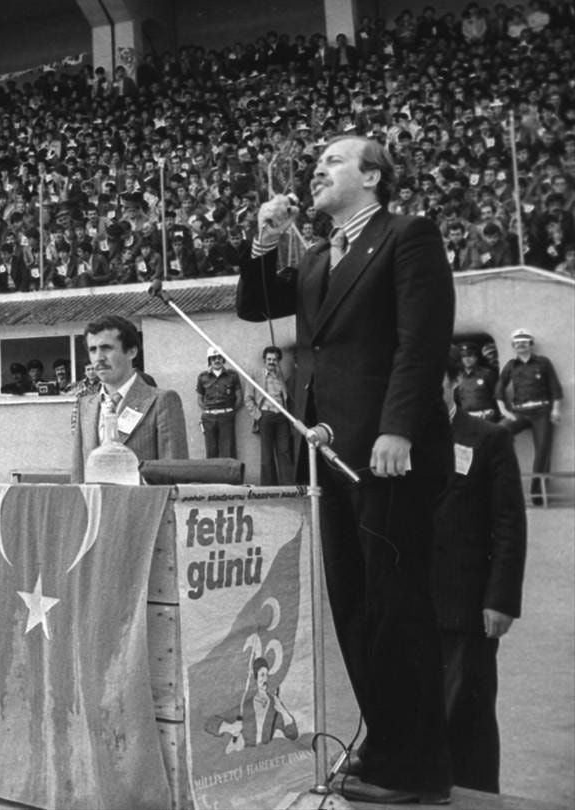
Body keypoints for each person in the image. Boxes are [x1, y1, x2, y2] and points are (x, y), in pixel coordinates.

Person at [238, 135, 455, 803]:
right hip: (328, 450)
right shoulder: (316, 255)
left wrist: (397, 426)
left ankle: (417, 769)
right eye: (316, 164)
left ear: (373, 176)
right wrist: (264, 240)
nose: (317, 170)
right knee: (354, 608)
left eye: (333, 161)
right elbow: (254, 306)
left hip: (388, 452)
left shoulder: (407, 236)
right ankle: (386, 743)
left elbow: (422, 341)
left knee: (396, 608)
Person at [434, 350, 526, 793]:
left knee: (467, 718)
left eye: (433, 380)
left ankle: (477, 799)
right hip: (413, 607)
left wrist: (500, 600)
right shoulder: (395, 440)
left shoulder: (489, 439)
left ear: (454, 381)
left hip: (468, 608)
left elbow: (509, 526)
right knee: (418, 717)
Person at [71, 314, 189, 480]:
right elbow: (78, 473)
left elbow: (174, 474)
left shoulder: (161, 401)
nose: (99, 358)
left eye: (106, 348)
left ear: (131, 352)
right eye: (93, 350)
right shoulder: (85, 406)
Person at [495, 328, 563, 505]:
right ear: (513, 346)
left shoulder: (543, 362)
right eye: (517, 343)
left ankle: (538, 496)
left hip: (542, 412)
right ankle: (500, 482)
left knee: (542, 452)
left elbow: (555, 387)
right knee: (498, 432)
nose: (520, 345)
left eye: (524, 342)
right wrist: (504, 411)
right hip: (520, 412)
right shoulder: (511, 365)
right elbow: (499, 388)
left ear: (531, 344)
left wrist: (556, 409)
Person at [245, 345, 294, 485]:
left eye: (274, 359)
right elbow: (248, 398)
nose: (271, 362)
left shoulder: (280, 377)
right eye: (269, 359)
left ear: (278, 361)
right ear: (264, 360)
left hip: (282, 416)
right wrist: (258, 415)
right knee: (267, 454)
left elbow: (285, 397)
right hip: (265, 415)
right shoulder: (256, 375)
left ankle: (288, 486)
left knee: (285, 451)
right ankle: (268, 486)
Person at [196, 347, 242, 459]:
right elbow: (199, 399)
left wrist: (230, 412)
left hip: (226, 416)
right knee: (211, 450)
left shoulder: (232, 376)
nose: (217, 360)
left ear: (223, 359)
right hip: (209, 418)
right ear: (209, 360)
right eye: (213, 358)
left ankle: (229, 471)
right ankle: (213, 471)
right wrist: (208, 412)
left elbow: (239, 398)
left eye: (219, 357)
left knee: (228, 450)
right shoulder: (203, 377)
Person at [452, 343, 499, 419]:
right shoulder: (458, 377)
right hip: (466, 417)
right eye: (463, 356)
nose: (467, 359)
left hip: (486, 416)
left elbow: (497, 396)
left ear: (476, 357)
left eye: (470, 355)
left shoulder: (487, 374)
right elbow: (454, 399)